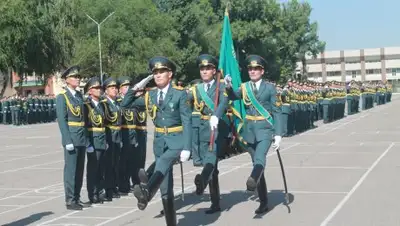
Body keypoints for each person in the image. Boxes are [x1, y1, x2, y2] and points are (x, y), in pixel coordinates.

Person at [121, 56, 191, 225]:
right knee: (165, 189)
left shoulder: (180, 94)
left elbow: (187, 121)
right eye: (155, 73)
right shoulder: (149, 96)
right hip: (160, 141)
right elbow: (125, 103)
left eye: (162, 72)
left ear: (170, 74)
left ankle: (147, 191)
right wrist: (140, 85)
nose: (158, 75)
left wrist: (187, 147)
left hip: (177, 139)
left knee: (163, 162)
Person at [224, 55, 282, 214]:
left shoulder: (270, 88)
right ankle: (263, 201)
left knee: (260, 158)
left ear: (262, 71)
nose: (253, 71)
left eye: (256, 69)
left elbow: (277, 111)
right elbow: (234, 97)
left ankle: (252, 180)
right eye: (250, 69)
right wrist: (228, 86)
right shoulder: (244, 87)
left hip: (264, 129)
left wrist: (278, 134)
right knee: (258, 167)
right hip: (249, 131)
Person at [188, 54, 229, 214]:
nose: (204, 72)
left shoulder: (222, 86)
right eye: (202, 69)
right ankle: (215, 201)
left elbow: (225, 103)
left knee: (210, 161)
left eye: (207, 68)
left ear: (214, 70)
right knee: (212, 167)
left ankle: (203, 182)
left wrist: (216, 116)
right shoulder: (195, 89)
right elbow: (184, 104)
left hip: (216, 129)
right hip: (201, 130)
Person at [56, 65, 93, 210]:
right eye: (75, 77)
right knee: (71, 170)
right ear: (67, 80)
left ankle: (77, 197)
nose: (78, 79)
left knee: (79, 170)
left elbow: (84, 120)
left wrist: (87, 140)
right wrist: (67, 140)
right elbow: (62, 120)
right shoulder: (62, 97)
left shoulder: (79, 96)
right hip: (71, 138)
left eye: (79, 77)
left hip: (82, 138)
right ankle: (70, 200)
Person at [83, 76, 107, 204]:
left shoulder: (101, 105)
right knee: (93, 169)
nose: (99, 90)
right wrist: (88, 143)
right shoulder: (86, 105)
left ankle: (99, 191)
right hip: (93, 140)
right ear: (90, 91)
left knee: (101, 168)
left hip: (102, 140)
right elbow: (85, 125)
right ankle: (92, 194)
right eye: (96, 88)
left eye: (100, 88)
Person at [100, 77, 122, 201]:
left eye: (115, 88)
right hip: (109, 135)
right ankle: (108, 189)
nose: (114, 90)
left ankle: (114, 186)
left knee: (115, 163)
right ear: (106, 91)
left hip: (117, 135)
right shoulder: (104, 104)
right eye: (112, 88)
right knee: (108, 164)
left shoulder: (117, 104)